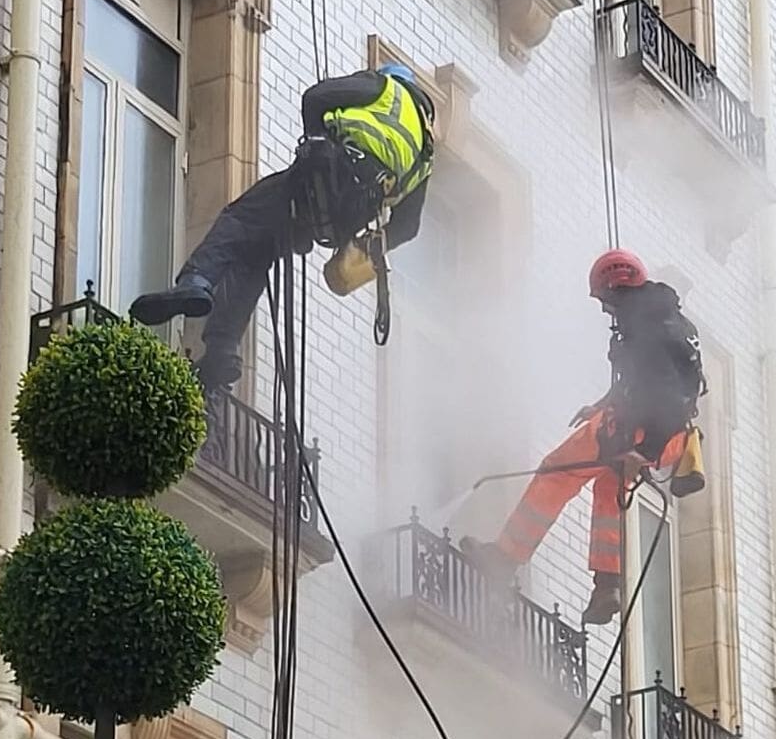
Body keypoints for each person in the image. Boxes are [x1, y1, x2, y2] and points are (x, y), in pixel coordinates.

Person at [129, 62, 435, 389]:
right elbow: (408, 227)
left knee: (241, 217)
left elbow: (315, 97)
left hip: (327, 176)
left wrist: (314, 149)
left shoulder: (383, 89)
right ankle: (223, 348)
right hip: (343, 218)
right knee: (258, 251)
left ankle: (196, 280)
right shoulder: (424, 154)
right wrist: (364, 245)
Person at [462, 249, 705, 626]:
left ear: (614, 287)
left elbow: (665, 389)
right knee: (609, 486)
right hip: (669, 436)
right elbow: (649, 381)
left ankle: (504, 558)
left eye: (605, 301)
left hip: (639, 431)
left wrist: (644, 447)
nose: (605, 310)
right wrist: (604, 404)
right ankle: (607, 585)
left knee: (556, 471)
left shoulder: (643, 321)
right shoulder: (663, 317)